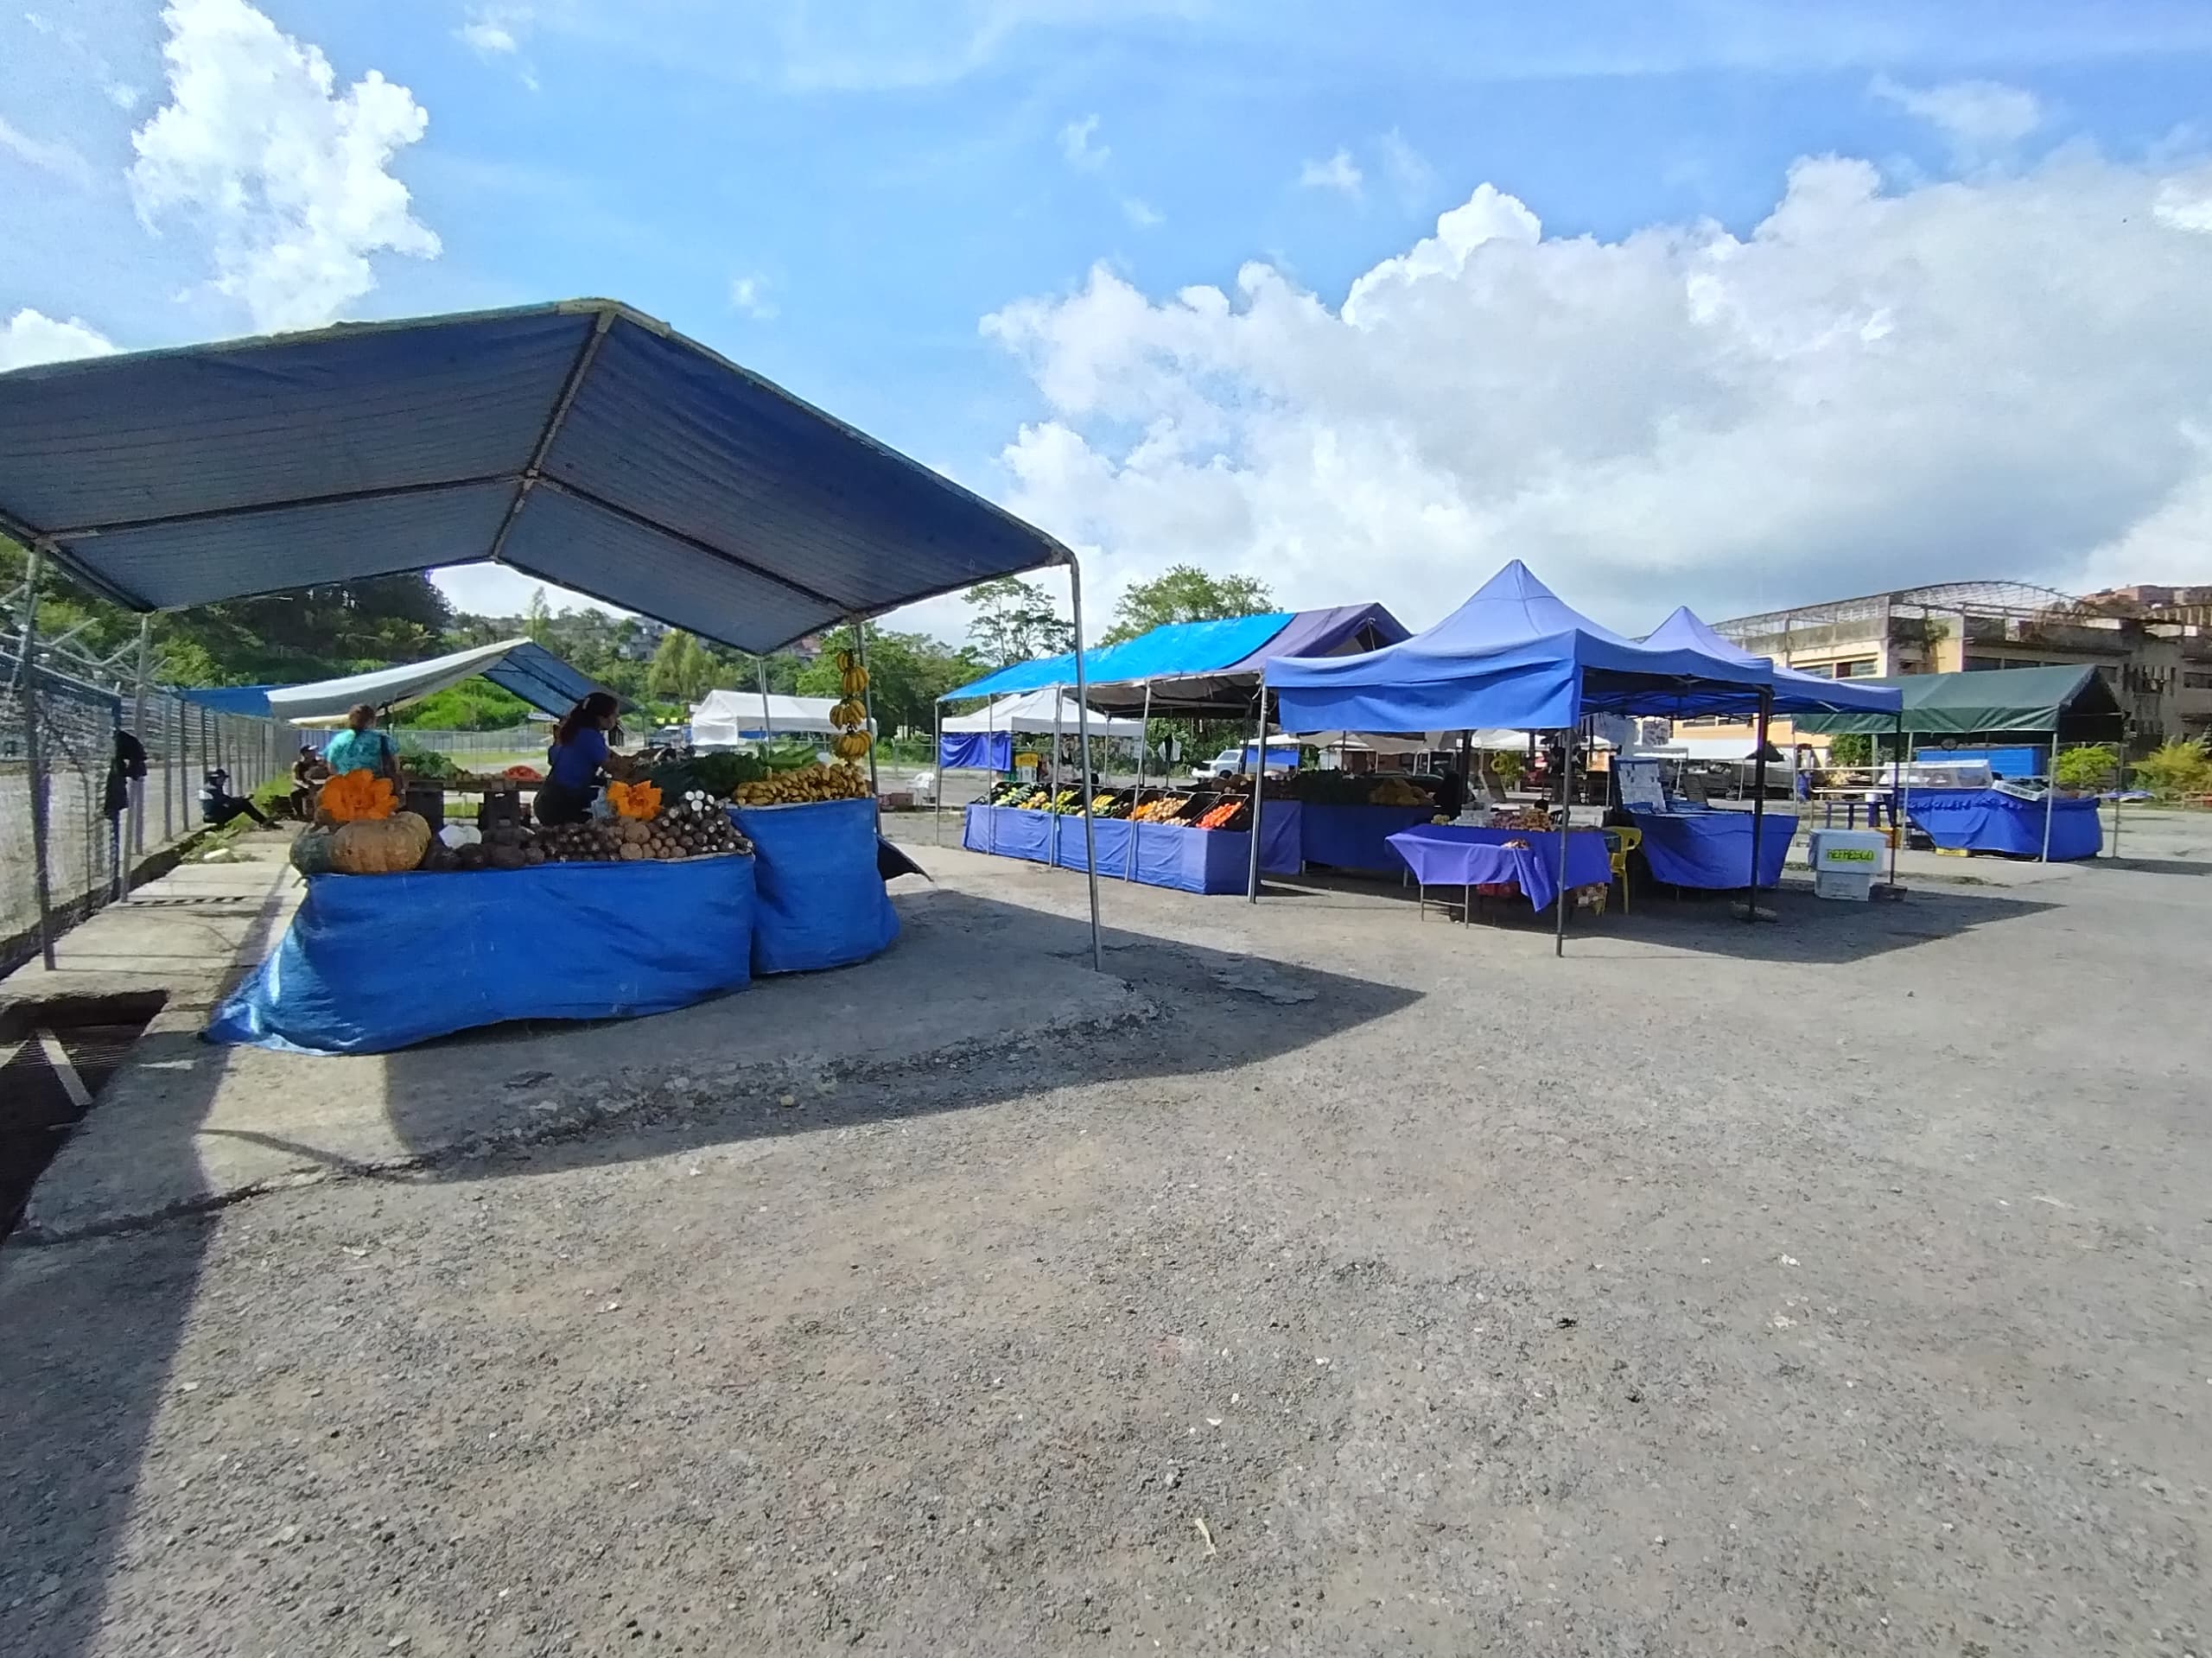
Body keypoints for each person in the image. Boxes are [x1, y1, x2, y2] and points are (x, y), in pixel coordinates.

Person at [536, 691, 629, 825]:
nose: (616, 719)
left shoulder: (576, 731)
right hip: (561, 804)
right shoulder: (590, 736)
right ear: (602, 717)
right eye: (615, 715)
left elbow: (554, 759)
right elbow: (612, 768)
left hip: (547, 799)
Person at [322, 703, 401, 785]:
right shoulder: (382, 739)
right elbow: (395, 766)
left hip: (347, 788)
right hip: (376, 788)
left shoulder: (338, 740)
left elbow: (331, 768)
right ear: (371, 721)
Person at [198, 768, 273, 829]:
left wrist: (241, 798)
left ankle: (264, 821)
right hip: (213, 817)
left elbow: (226, 800)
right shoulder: (212, 789)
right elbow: (227, 801)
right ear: (213, 779)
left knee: (242, 803)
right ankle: (264, 822)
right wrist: (243, 798)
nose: (223, 780)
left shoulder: (210, 787)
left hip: (212, 815)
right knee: (244, 804)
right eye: (220, 778)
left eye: (223, 778)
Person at [289, 744, 327, 821]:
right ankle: (300, 815)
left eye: (314, 751)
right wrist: (305, 786)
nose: (313, 753)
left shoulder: (320, 763)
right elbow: (295, 780)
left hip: (322, 786)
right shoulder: (298, 765)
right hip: (307, 786)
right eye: (310, 751)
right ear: (304, 754)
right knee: (295, 794)